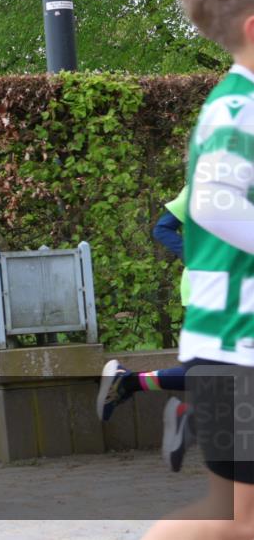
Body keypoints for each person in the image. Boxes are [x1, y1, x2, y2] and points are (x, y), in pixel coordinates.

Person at [142, 0, 254, 540]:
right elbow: (211, 204)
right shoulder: (238, 108)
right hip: (237, 350)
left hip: (231, 348)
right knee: (238, 521)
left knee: (232, 517)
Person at [96, 184, 190, 472]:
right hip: (213, 294)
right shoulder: (206, 184)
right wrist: (198, 258)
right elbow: (163, 228)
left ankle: (130, 383)